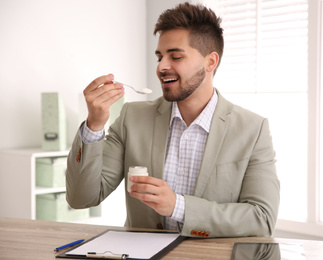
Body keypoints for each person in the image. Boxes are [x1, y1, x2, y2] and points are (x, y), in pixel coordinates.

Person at [66, 2, 280, 238]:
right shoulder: (131, 118)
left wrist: (178, 206)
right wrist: (94, 125)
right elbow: (80, 198)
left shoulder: (253, 129)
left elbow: (262, 219)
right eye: (160, 57)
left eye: (175, 56)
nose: (161, 67)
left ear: (211, 62)